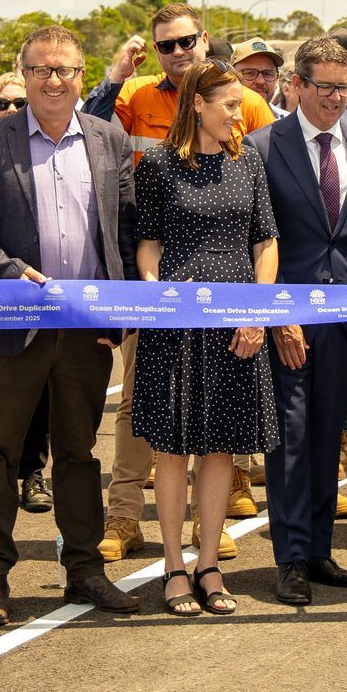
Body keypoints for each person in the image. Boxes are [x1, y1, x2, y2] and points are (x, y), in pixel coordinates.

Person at [0, 24, 143, 626]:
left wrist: (120, 307)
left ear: (83, 76)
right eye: (41, 70)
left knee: (79, 454)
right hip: (13, 324)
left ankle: (83, 570)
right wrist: (10, 272)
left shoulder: (109, 140)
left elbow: (127, 231)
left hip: (85, 330)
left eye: (65, 70)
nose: (54, 80)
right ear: (23, 75)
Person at [80, 1, 274, 563]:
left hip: (234, 304)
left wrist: (260, 309)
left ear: (204, 39)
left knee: (218, 435)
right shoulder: (139, 103)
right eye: (165, 45)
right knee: (147, 418)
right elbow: (89, 129)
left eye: (186, 41)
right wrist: (151, 289)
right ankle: (127, 520)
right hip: (166, 304)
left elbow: (264, 230)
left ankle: (208, 544)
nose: (177, 52)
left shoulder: (249, 119)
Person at [248, 37, 347, 605]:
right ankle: (289, 558)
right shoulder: (263, 145)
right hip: (287, 319)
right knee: (289, 436)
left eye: (345, 86)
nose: (337, 97)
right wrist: (277, 315)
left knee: (330, 428)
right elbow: (255, 238)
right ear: (297, 86)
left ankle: (319, 551)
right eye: (325, 86)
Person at [133, 61, 281, 616]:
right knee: (171, 451)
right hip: (176, 323)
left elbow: (265, 243)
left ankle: (209, 566)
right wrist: (156, 289)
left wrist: (256, 314)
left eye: (239, 102)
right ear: (197, 103)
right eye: (227, 103)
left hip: (237, 322)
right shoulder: (158, 166)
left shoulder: (250, 165)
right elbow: (147, 242)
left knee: (220, 449)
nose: (236, 112)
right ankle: (174, 568)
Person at [0, 69, 53, 510]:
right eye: (2, 103)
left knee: (39, 392)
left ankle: (34, 473)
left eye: (18, 103)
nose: (10, 110)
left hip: (39, 287)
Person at [230, 37, 288, 112]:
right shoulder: (217, 122)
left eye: (268, 74)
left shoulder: (290, 122)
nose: (261, 81)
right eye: (250, 73)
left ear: (277, 79)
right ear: (231, 75)